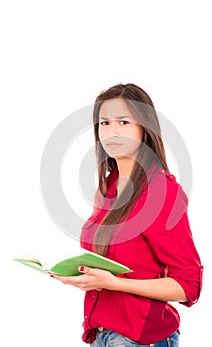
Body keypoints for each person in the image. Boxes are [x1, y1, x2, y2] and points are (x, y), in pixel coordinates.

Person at [52, 83, 203, 346]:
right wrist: (84, 275)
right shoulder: (108, 186)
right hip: (101, 336)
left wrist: (114, 283)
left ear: (144, 128)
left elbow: (187, 285)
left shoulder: (161, 191)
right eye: (104, 123)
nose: (112, 132)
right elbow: (114, 264)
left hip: (140, 339)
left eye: (123, 122)